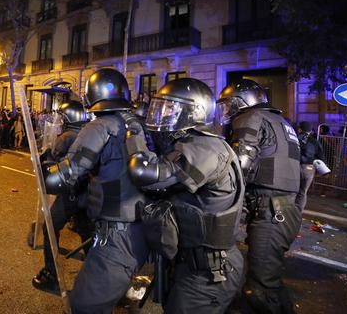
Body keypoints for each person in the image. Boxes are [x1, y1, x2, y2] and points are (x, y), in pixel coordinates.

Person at [127, 78, 244, 313]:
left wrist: (133, 134)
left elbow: (146, 174)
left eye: (170, 107)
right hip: (194, 264)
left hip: (210, 272)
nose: (163, 113)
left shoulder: (206, 148)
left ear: (195, 111)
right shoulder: (192, 143)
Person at [43, 68, 149, 313]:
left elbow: (62, 177)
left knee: (81, 306)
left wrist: (46, 168)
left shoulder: (99, 127)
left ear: (93, 95)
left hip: (116, 234)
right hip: (140, 229)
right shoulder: (136, 125)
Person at [216, 79, 301, 314]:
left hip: (271, 212)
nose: (226, 110)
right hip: (283, 210)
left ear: (244, 102)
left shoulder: (250, 117)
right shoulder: (282, 122)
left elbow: (238, 166)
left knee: (260, 291)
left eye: (229, 104)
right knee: (268, 281)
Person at [32, 100, 93, 294]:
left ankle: (51, 274)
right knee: (86, 232)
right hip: (87, 193)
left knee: (49, 227)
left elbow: (55, 167)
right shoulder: (88, 134)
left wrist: (45, 158)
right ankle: (96, 275)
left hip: (71, 194)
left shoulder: (66, 137)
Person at [297, 121, 326, 212]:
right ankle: (298, 213)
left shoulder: (295, 139)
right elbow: (321, 157)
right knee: (303, 192)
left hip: (295, 166)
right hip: (309, 169)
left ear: (300, 129)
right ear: (310, 130)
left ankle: (288, 212)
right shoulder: (315, 141)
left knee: (291, 190)